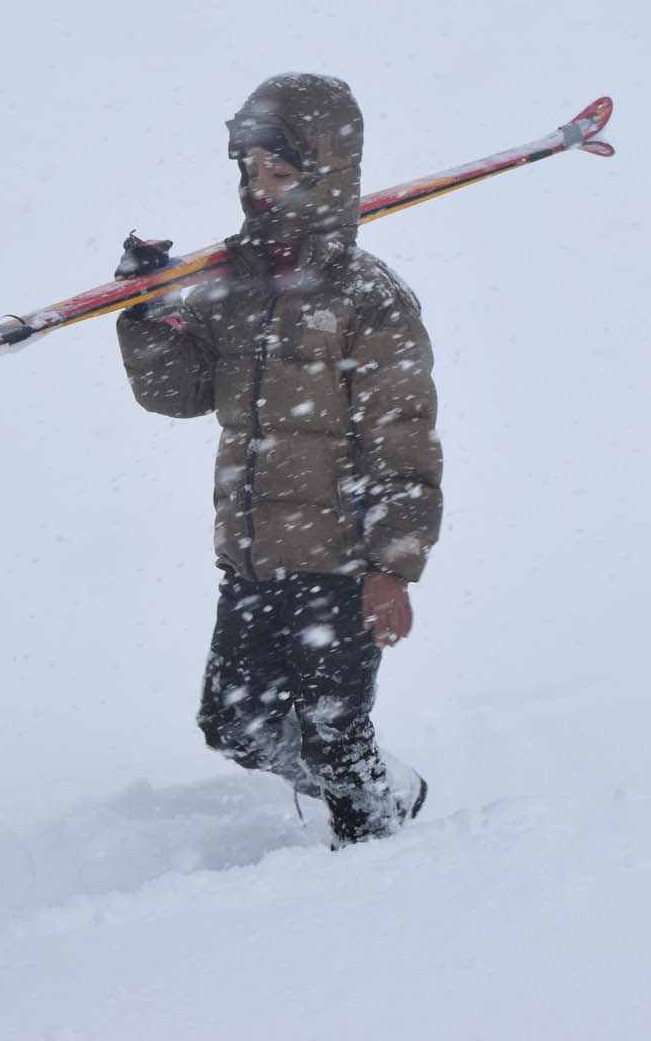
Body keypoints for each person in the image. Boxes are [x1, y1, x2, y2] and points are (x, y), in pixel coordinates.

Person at [116, 74, 440, 844]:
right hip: (254, 556)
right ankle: (374, 788)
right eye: (250, 172)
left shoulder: (367, 295)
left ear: (327, 178)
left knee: (335, 734)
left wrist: (392, 565)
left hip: (341, 559)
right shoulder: (237, 286)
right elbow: (179, 392)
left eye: (282, 174)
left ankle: (376, 864)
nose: (259, 190)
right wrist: (148, 313)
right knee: (234, 722)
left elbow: (404, 439)